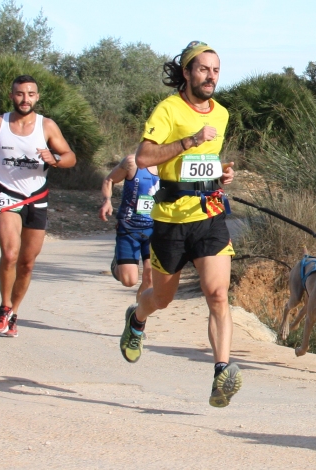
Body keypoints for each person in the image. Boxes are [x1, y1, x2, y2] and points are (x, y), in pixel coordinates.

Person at [118, 41, 241, 407]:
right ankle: (137, 318)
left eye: (215, 70)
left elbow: (207, 161)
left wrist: (221, 175)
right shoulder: (169, 109)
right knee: (161, 298)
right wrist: (189, 140)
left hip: (209, 214)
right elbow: (143, 157)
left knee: (218, 294)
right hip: (170, 220)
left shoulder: (221, 113)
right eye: (203, 69)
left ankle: (222, 371)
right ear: (187, 72)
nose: (211, 76)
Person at [0, 74, 77, 338]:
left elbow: (70, 158)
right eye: (20, 94)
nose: (25, 99)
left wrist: (53, 159)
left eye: (30, 94)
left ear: (37, 97)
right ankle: (3, 306)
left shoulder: (47, 126)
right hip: (7, 194)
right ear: (12, 96)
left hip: (36, 197)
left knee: (27, 262)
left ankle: (13, 312)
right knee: (10, 254)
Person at [98, 154, 160, 302]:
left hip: (155, 228)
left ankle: (137, 315)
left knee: (150, 276)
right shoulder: (132, 162)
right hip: (129, 227)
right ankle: (117, 264)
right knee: (129, 281)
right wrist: (107, 201)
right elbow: (109, 179)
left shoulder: (169, 165)